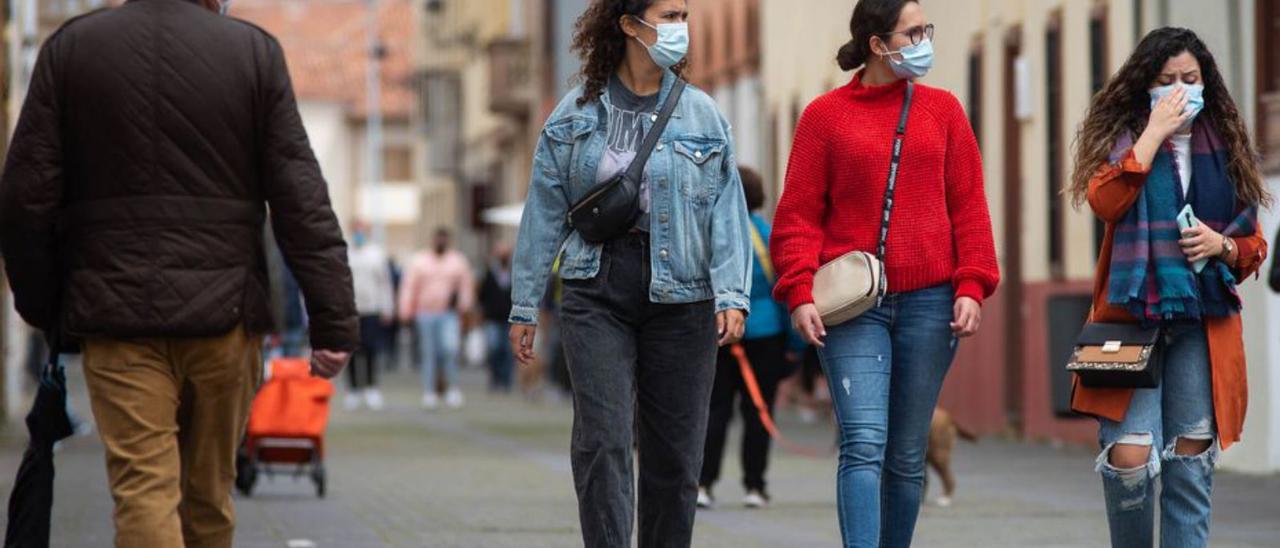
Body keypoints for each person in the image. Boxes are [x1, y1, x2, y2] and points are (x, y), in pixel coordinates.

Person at [0, 1, 358, 546]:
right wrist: (333, 320)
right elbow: (300, 199)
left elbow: (24, 200)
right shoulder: (252, 53)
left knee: (143, 490)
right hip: (225, 317)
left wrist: (47, 306)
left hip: (116, 315)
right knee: (208, 497)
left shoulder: (73, 49)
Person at [507, 0, 752, 545]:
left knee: (675, 455)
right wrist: (525, 304)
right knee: (603, 441)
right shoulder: (574, 114)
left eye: (684, 16)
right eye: (669, 16)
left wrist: (732, 294)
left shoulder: (704, 114)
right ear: (628, 25)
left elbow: (726, 212)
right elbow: (543, 212)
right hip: (596, 287)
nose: (680, 28)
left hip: (684, 293)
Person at [770, 1, 999, 546]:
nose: (924, 41)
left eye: (926, 30)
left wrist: (972, 285)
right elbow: (798, 214)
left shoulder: (943, 111)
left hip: (930, 303)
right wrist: (799, 290)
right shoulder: (824, 117)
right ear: (877, 44)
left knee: (906, 453)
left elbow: (969, 206)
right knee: (864, 443)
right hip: (853, 305)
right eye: (912, 33)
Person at [1067, 27, 1270, 547]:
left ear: (1206, 82)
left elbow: (1253, 245)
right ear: (1145, 86)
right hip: (1130, 317)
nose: (1180, 89)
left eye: (1190, 78)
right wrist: (1153, 135)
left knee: (1190, 462)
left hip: (1203, 321)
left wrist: (1221, 246)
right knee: (1130, 458)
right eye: (1166, 80)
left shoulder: (1225, 144)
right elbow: (1105, 202)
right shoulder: (1123, 140)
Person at [697, 167, 801, 510]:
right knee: (759, 410)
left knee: (715, 410)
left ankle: (703, 484)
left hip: (719, 333)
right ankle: (755, 486)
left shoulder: (712, 232)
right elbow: (783, 294)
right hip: (765, 336)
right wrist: (794, 346)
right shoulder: (768, 236)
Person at [399, 227, 475, 410]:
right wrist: (405, 311)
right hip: (425, 313)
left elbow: (466, 286)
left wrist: (465, 307)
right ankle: (430, 391)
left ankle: (452, 388)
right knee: (429, 352)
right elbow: (409, 287)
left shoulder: (457, 261)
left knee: (449, 350)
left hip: (448, 314)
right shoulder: (420, 261)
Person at [347, 221, 395, 411]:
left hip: (372, 309)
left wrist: (387, 307)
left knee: (371, 350)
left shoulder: (376, 254)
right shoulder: (345, 252)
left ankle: (371, 387)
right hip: (351, 310)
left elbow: (385, 283)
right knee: (351, 351)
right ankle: (353, 390)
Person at [479, 242, 516, 393]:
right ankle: (495, 378)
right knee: (494, 348)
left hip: (510, 318)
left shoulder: (514, 272)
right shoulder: (490, 273)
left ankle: (506, 380)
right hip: (492, 318)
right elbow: (482, 295)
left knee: (507, 350)